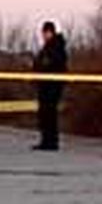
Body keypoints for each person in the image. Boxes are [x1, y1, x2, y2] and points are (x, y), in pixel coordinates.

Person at [32, 21, 68, 151]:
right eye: (44, 33)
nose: (45, 35)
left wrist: (41, 66)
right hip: (44, 85)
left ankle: (51, 142)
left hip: (52, 86)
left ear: (51, 32)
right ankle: (45, 140)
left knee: (50, 114)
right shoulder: (47, 47)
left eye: (47, 32)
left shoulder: (56, 47)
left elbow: (52, 65)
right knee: (44, 114)